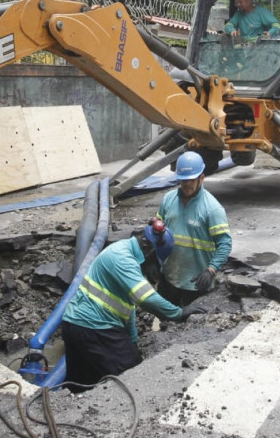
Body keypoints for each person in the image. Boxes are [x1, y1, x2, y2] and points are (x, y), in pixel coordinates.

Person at [61, 222, 204, 391]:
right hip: (94, 327)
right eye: (154, 261)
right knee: (133, 377)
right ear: (147, 247)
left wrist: (134, 341)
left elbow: (129, 309)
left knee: (83, 384)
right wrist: (179, 313)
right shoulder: (122, 258)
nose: (152, 268)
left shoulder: (123, 251)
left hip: (76, 325)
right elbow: (147, 299)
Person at [155, 151, 232, 306]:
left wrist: (211, 270)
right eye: (183, 180)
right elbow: (158, 229)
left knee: (188, 326)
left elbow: (225, 244)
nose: (186, 184)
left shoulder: (212, 208)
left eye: (191, 180)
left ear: (201, 178)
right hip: (169, 277)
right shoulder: (168, 200)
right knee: (165, 322)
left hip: (195, 283)